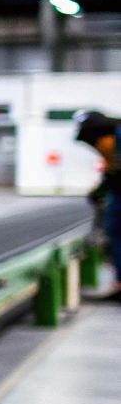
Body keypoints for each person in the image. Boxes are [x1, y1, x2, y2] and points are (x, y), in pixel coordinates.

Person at [74, 110, 121, 300]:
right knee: (114, 228)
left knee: (116, 228)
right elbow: (112, 171)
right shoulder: (109, 141)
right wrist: (100, 190)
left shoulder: (113, 139)